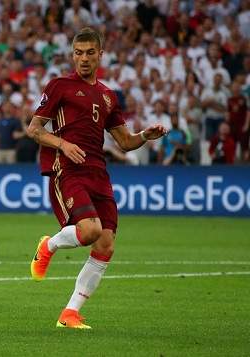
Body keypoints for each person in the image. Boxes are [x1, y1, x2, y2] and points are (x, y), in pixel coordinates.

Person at [27, 28, 167, 329]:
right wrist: (63, 144)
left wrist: (145, 135)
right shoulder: (59, 86)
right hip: (69, 169)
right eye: (79, 53)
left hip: (99, 174)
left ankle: (70, 313)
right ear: (72, 55)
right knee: (89, 230)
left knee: (105, 244)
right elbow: (34, 129)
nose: (84, 58)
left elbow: (125, 142)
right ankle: (48, 246)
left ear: (100, 55)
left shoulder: (107, 96)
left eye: (90, 53)